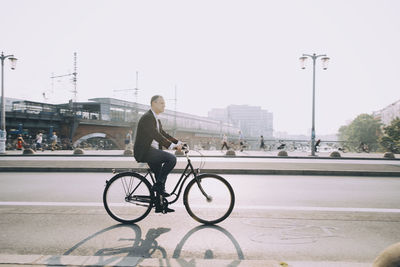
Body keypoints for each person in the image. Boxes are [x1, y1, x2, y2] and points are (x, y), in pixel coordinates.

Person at [133, 95, 183, 213]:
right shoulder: (147, 118)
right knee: (171, 159)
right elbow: (156, 135)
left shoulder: (156, 119)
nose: (164, 105)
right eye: (161, 103)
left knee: (160, 175)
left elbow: (164, 134)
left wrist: (179, 143)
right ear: (153, 103)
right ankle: (158, 185)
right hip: (145, 152)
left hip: (152, 151)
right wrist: (172, 146)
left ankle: (160, 205)